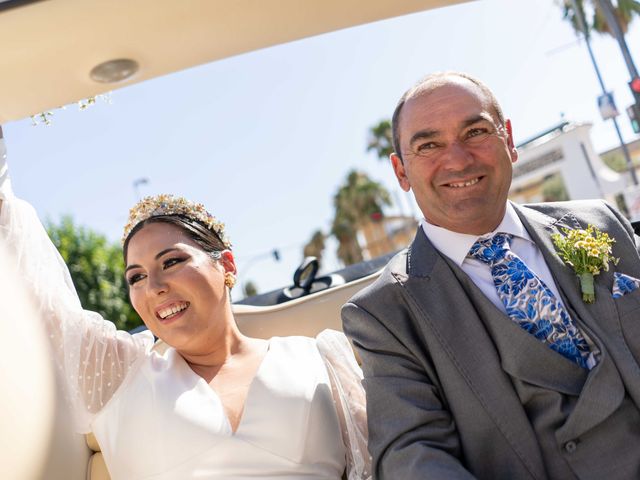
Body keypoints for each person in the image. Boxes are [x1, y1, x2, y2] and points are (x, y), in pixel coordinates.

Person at [0, 131, 370, 479]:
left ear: (226, 264)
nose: (155, 287)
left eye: (171, 262)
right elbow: (30, 283)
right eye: (136, 277)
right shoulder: (120, 375)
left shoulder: (321, 357)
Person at [342, 71, 640, 479]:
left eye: (476, 131)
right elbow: (410, 453)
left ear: (509, 140)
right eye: (428, 145)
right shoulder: (384, 313)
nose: (458, 159)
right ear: (401, 173)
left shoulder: (598, 224)